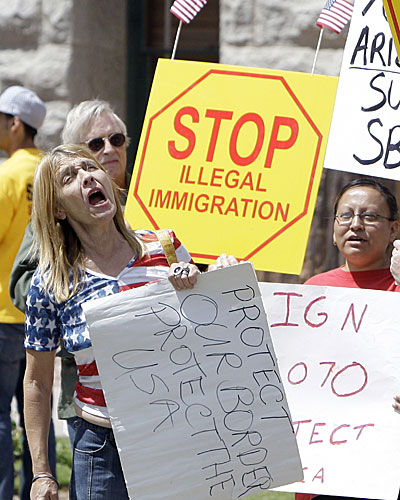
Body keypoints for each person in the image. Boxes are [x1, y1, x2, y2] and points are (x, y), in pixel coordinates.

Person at [23, 144, 237, 499]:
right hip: (100, 447)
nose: (87, 175)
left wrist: (217, 283)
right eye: (69, 176)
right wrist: (41, 473)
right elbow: (36, 383)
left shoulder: (165, 248)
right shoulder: (51, 283)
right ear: (58, 209)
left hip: (178, 438)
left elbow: (209, 338)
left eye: (89, 167)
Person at [10, 99, 131, 446]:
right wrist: (86, 293)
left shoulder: (154, 200)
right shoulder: (54, 217)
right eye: (96, 144)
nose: (109, 149)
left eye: (117, 139)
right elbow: (22, 285)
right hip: (90, 397)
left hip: (162, 388)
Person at [296, 177, 400, 500]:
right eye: (345, 215)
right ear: (332, 231)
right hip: (325, 466)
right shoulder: (312, 291)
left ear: (394, 230)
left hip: (387, 463)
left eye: (370, 217)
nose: (356, 225)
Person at [0, 85, 56, 500]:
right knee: (40, 414)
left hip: (4, 313)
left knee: (1, 417)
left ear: (16, 125)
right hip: (45, 313)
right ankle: (44, 486)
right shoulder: (53, 173)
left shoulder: (8, 175)